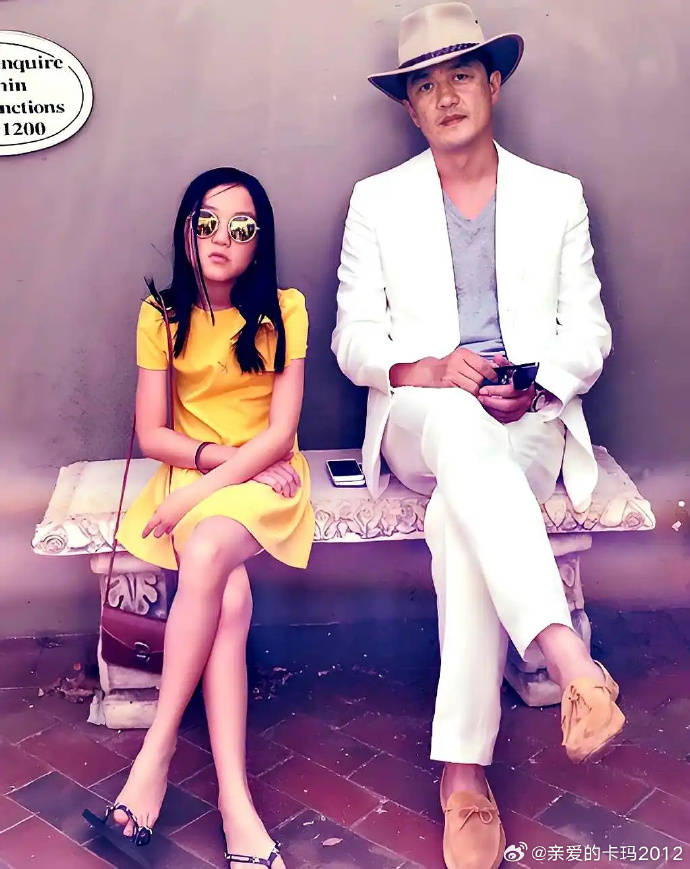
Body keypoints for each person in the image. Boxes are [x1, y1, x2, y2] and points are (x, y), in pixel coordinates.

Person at [331, 4, 623, 868]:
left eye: (462, 75)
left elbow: (589, 334)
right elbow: (353, 340)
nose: (447, 96)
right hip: (421, 419)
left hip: (527, 422)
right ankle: (567, 656)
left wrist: (535, 386)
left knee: (460, 520)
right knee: (458, 426)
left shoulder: (557, 196)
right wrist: (429, 369)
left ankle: (463, 775)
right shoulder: (377, 202)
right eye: (426, 85)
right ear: (410, 107)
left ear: (494, 85)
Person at [86, 167, 314, 868]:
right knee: (230, 598)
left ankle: (154, 757)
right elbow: (153, 433)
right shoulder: (161, 314)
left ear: (259, 241)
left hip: (266, 481)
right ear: (186, 229)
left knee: (211, 549)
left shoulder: (286, 309)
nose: (221, 238)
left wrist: (202, 491)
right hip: (200, 468)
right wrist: (214, 468)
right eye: (207, 222)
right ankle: (234, 802)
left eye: (241, 228)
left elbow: (280, 434)